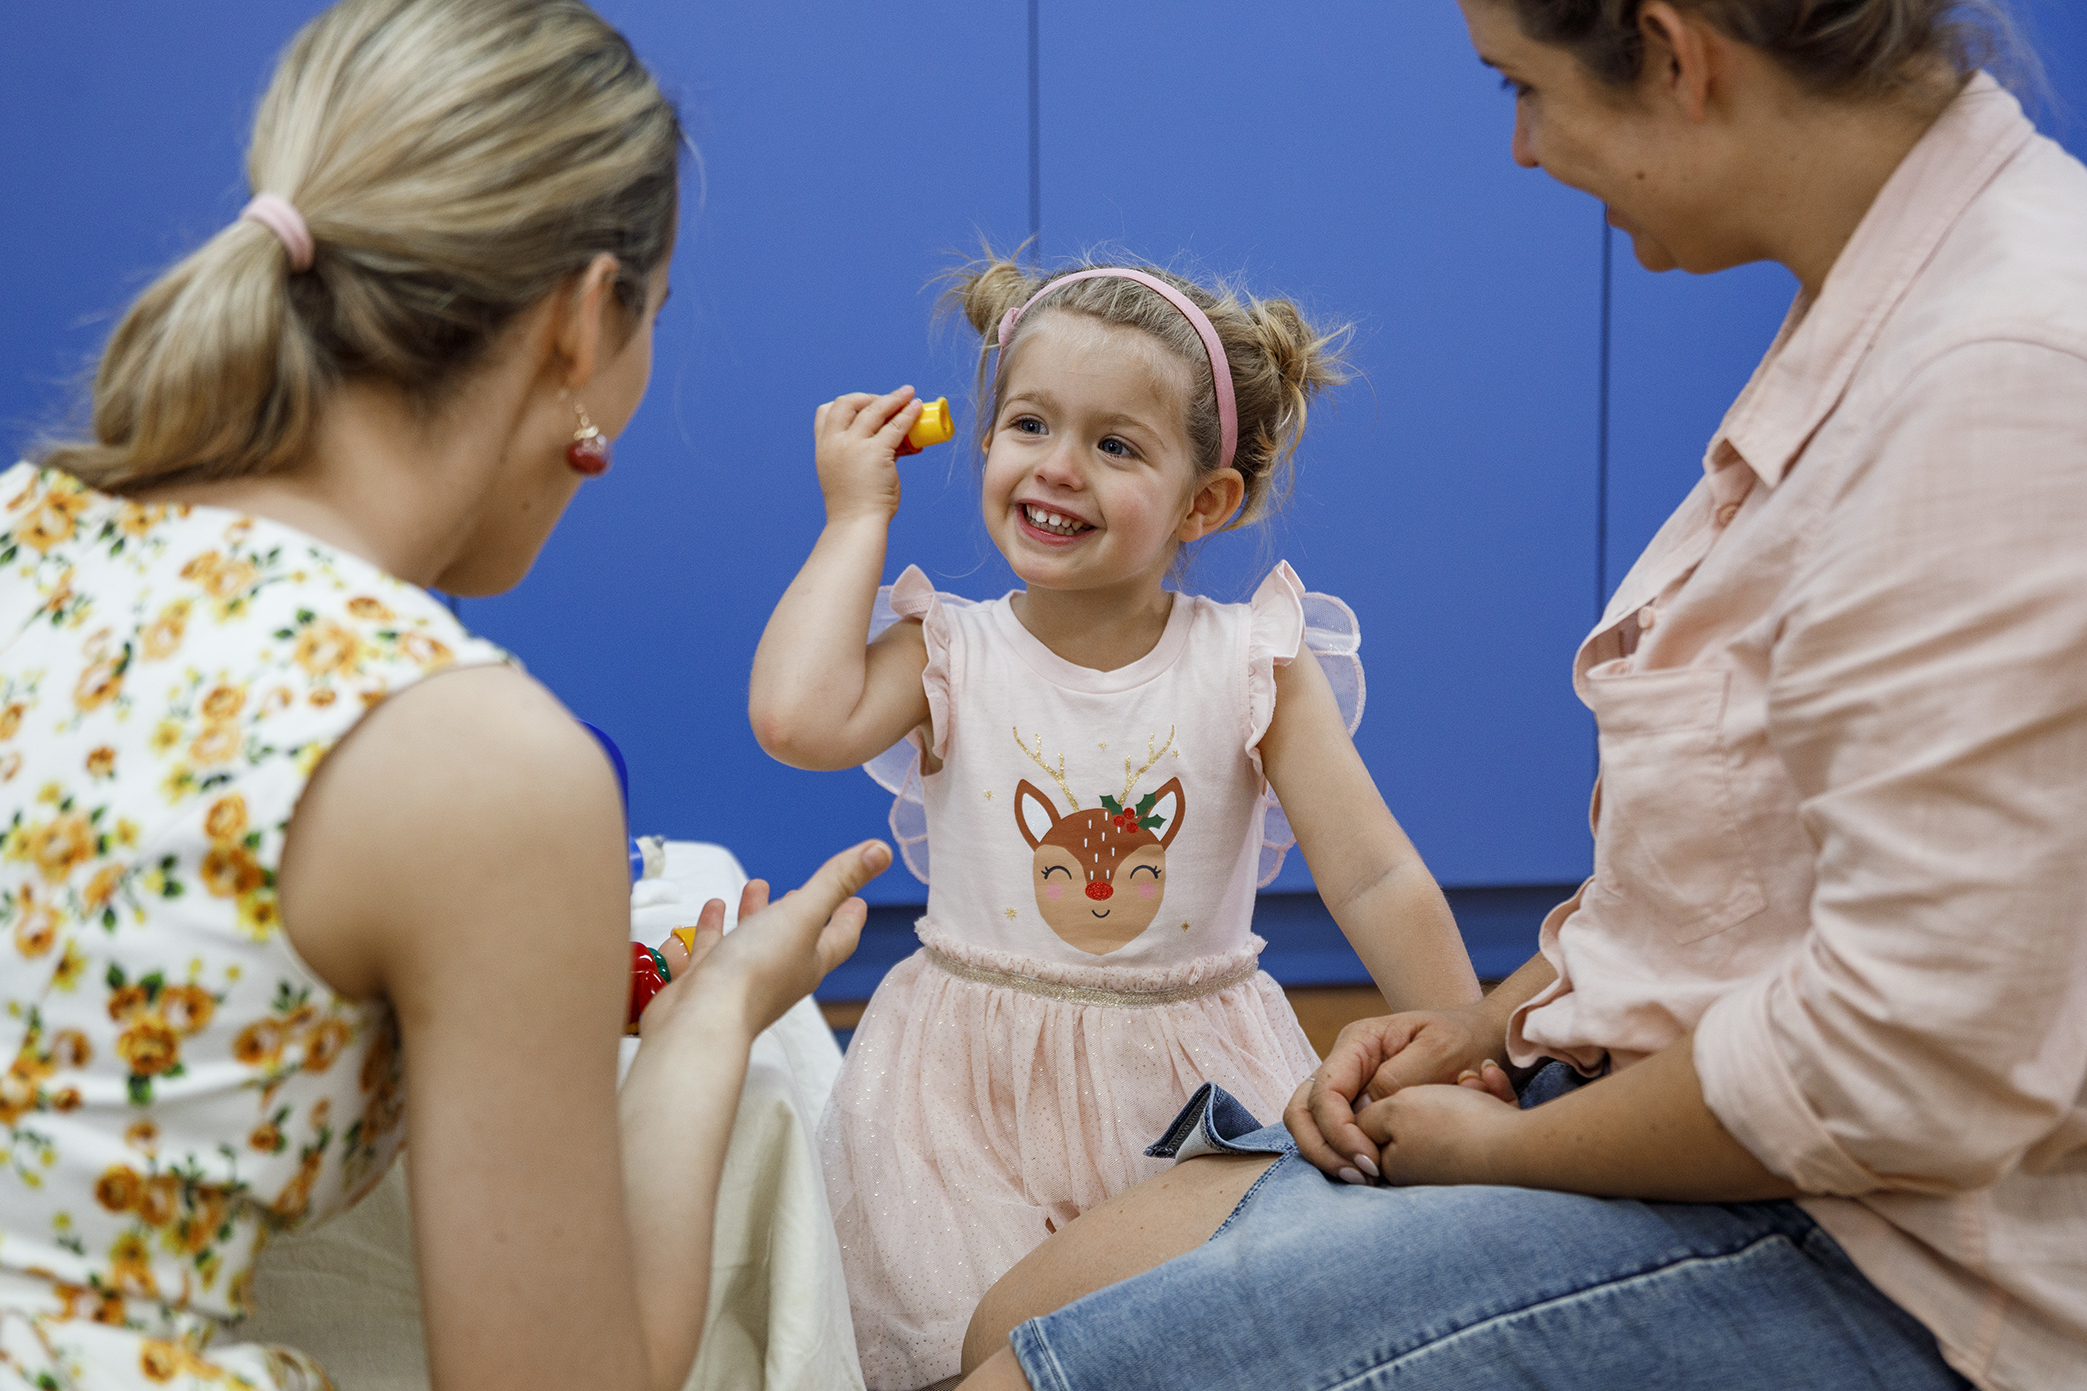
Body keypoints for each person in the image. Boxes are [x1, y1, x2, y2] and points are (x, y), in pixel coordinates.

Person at [950, 2, 2087, 1388]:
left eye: (1525, 89)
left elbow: (1898, 1063)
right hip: (1665, 1096)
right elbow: (1746, 888)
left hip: (1875, 1246)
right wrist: (1488, 1022)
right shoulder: (1880, 308)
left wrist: (1510, 1146)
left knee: (1024, 1374)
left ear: (1674, 54)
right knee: (1006, 1321)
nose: (1521, 148)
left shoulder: (1999, 378)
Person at [0, 2, 890, 1388]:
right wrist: (719, 1011)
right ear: (585, 315)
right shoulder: (476, 758)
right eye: (651, 314)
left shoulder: (23, 527)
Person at [747, 255, 1483, 1387]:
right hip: (958, 1093)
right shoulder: (947, 648)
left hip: (1187, 1077)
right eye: (1028, 422)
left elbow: (1375, 876)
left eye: (1115, 444)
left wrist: (1463, 1045)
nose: (1057, 467)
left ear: (1205, 501)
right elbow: (796, 717)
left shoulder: (1251, 663)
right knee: (966, 1351)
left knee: (1163, 1348)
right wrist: (856, 513)